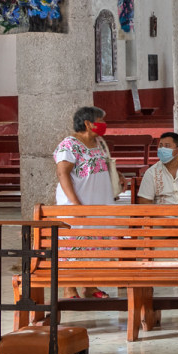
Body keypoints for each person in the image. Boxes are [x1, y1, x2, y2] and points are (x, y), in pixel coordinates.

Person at [53, 106, 114, 300]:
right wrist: (75, 204)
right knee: (73, 247)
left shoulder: (99, 143)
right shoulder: (69, 145)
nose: (104, 124)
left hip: (98, 203)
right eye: (101, 120)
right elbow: (62, 173)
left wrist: (117, 175)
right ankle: (69, 288)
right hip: (77, 205)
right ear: (88, 123)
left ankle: (90, 285)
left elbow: (101, 166)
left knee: (93, 246)